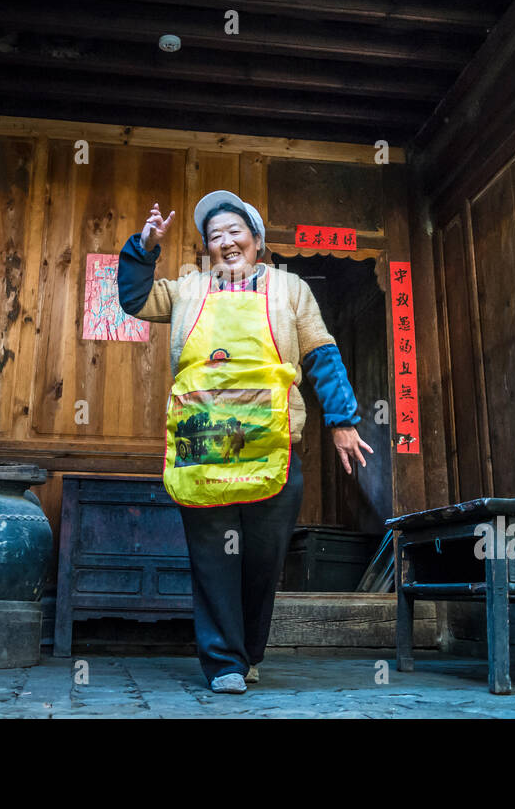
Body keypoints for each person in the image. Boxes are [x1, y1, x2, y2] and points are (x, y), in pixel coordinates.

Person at [116, 190, 373, 694]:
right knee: (213, 557)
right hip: (205, 443)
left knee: (263, 557)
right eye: (215, 236)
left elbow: (321, 353)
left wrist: (343, 420)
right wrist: (143, 247)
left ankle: (249, 651)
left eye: (235, 232)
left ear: (256, 241)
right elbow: (133, 299)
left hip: (273, 442)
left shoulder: (291, 289)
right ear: (207, 249)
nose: (226, 242)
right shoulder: (187, 289)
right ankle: (223, 664)